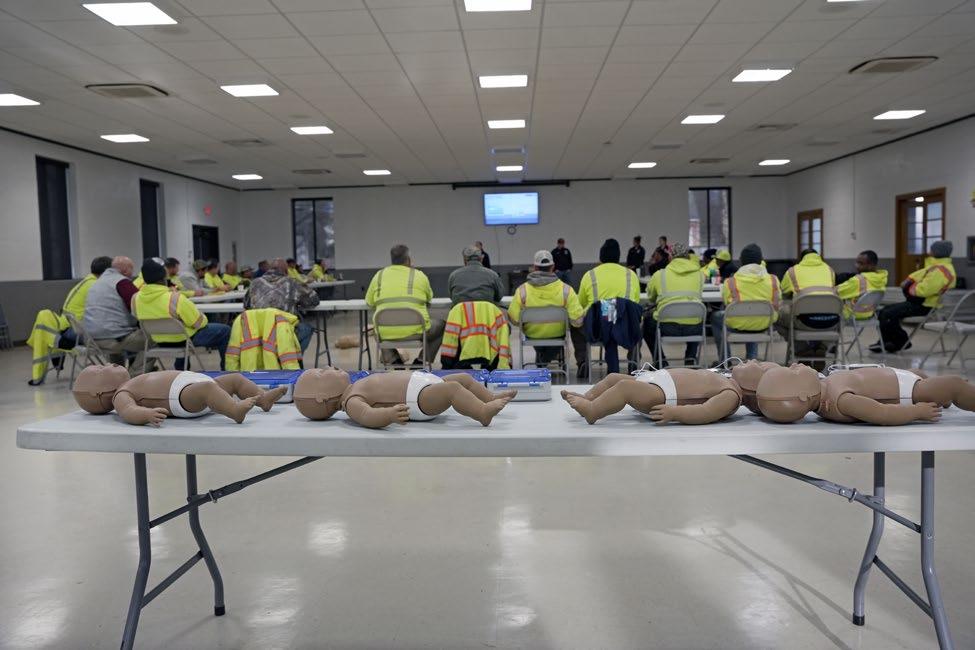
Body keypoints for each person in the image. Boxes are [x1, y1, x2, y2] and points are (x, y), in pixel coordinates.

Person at [132, 258, 232, 370]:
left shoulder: (135, 299)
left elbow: (138, 318)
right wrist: (203, 318)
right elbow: (198, 323)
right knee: (225, 330)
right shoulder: (175, 298)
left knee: (182, 329)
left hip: (156, 340)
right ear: (164, 276)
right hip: (183, 341)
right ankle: (226, 370)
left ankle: (180, 369)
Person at [366, 244, 444, 366]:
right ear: (408, 260)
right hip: (417, 330)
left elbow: (369, 302)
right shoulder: (419, 275)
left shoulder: (379, 276)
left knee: (377, 331)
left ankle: (394, 361)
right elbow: (429, 298)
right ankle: (421, 361)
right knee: (442, 325)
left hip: (386, 331)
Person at [575, 238, 641, 377]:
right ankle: (634, 362)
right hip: (626, 327)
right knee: (638, 322)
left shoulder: (590, 275)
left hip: (598, 328)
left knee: (576, 324)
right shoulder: (631, 275)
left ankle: (583, 363)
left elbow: (581, 304)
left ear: (601, 257)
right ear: (618, 256)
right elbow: (635, 304)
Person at [874, 240, 956, 353]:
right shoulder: (938, 266)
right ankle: (886, 342)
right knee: (884, 311)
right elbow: (919, 274)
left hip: (925, 305)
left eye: (931, 249)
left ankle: (900, 342)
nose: (929, 252)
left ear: (937, 252)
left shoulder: (942, 271)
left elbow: (925, 290)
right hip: (921, 303)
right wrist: (909, 280)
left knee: (888, 314)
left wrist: (909, 286)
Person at [508, 250, 585, 366]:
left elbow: (514, 319)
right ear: (553, 266)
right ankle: (546, 358)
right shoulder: (566, 290)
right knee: (555, 345)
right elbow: (578, 321)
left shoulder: (522, 290)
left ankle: (543, 360)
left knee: (542, 349)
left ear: (534, 267)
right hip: (558, 335)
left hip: (532, 336)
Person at [710, 244, 780, 361]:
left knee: (715, 316)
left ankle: (725, 360)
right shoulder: (773, 280)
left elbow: (727, 304)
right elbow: (778, 302)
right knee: (754, 315)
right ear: (761, 260)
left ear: (741, 261)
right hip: (764, 324)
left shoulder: (730, 282)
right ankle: (751, 359)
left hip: (737, 325)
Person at [82, 256, 150, 375]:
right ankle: (134, 376)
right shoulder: (123, 283)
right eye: (132, 269)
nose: (132, 273)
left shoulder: (96, 284)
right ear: (125, 270)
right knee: (153, 340)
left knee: (117, 333)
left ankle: (117, 375)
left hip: (91, 339)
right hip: (114, 338)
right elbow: (139, 309)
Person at [643, 242, 704, 367]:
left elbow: (651, 297)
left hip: (666, 327)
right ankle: (690, 359)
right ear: (688, 257)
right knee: (697, 316)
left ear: (670, 257)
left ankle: (660, 362)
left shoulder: (660, 274)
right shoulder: (700, 275)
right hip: (694, 328)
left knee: (647, 323)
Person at [244, 258, 320, 354]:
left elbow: (246, 304)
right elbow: (314, 300)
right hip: (284, 331)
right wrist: (298, 302)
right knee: (307, 329)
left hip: (258, 332)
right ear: (286, 271)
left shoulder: (254, 283)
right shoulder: (292, 282)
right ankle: (294, 357)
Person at [775, 248, 838, 362]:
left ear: (801, 259)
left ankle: (802, 349)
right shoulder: (830, 270)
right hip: (830, 321)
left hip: (804, 321)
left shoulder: (792, 271)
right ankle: (822, 347)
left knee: (776, 316)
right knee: (843, 315)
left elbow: (783, 291)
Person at [836, 250, 888, 321]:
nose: (856, 266)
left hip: (852, 315)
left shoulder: (858, 280)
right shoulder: (882, 278)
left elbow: (836, 292)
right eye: (857, 262)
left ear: (871, 265)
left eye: (860, 263)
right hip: (870, 313)